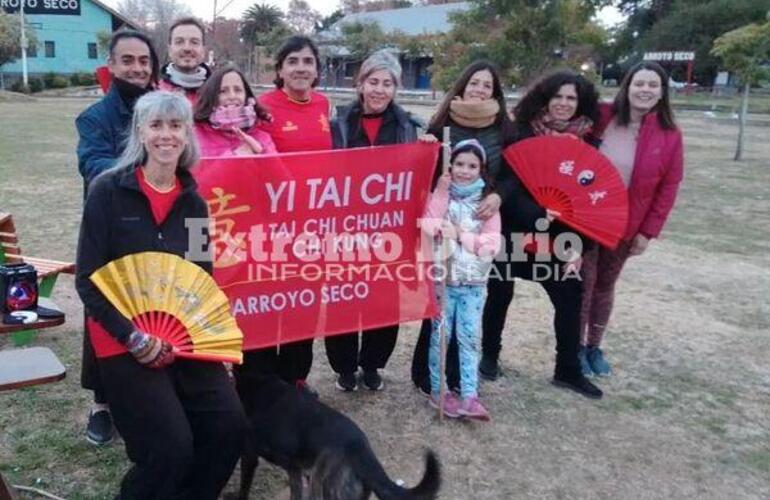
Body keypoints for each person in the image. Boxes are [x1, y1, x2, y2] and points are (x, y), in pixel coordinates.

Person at [75, 91, 246, 499]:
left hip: (183, 338)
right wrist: (134, 338)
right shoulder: (108, 192)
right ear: (140, 132)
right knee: (170, 448)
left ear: (187, 134)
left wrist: (214, 351)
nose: (166, 135)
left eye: (175, 126)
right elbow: (88, 280)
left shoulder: (195, 205)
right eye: (156, 125)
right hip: (121, 341)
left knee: (230, 428)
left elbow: (201, 281)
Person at [484, 71, 604, 399]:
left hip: (563, 239)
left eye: (571, 98)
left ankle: (567, 370)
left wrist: (580, 247)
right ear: (545, 98)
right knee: (498, 292)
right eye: (558, 97)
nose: (564, 104)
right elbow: (507, 184)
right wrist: (536, 215)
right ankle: (489, 356)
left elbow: (593, 200)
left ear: (581, 105)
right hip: (516, 228)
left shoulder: (590, 142)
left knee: (570, 298)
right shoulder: (520, 133)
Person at [75, 29, 160, 446]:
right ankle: (101, 403)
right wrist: (150, 166)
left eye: (144, 61)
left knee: (155, 309)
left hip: (160, 228)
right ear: (112, 65)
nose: (138, 68)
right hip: (110, 231)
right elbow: (94, 165)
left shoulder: (161, 108)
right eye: (128, 60)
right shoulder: (95, 118)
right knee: (104, 312)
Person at [411, 61, 514, 395]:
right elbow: (426, 172)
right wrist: (424, 146)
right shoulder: (443, 121)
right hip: (445, 224)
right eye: (474, 83)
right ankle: (428, 374)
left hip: (483, 217)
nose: (479, 89)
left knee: (471, 306)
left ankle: (461, 376)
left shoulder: (504, 127)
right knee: (439, 307)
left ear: (494, 91)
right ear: (462, 86)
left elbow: (515, 173)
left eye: (487, 85)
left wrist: (498, 196)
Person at [235, 36, 332, 391]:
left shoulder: (323, 105)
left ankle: (294, 379)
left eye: (308, 61)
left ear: (317, 70)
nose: (301, 68)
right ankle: (259, 382)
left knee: (302, 306)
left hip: (313, 227)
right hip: (269, 227)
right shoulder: (262, 107)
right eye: (293, 61)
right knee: (263, 304)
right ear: (280, 69)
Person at [325, 50, 423, 392]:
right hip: (344, 230)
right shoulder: (337, 124)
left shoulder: (410, 128)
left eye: (387, 83)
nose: (379, 90)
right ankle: (344, 367)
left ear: (396, 88)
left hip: (389, 230)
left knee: (384, 301)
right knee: (343, 300)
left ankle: (372, 364)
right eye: (373, 81)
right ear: (360, 83)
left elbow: (419, 178)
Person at [579, 62, 684, 376]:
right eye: (640, 83)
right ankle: (573, 348)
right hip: (587, 217)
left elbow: (669, 186)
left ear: (662, 92)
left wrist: (648, 231)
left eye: (653, 85)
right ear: (628, 86)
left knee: (604, 285)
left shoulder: (669, 135)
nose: (646, 90)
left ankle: (593, 347)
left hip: (627, 224)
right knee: (582, 284)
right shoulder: (603, 117)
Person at [423, 139, 501, 420]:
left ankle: (470, 395)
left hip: (473, 286)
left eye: (472, 166)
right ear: (450, 166)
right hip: (443, 284)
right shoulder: (442, 198)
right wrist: (442, 191)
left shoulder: (487, 205)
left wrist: (459, 234)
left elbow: (490, 247)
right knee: (439, 338)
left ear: (481, 169)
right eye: (459, 164)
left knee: (469, 340)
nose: (465, 171)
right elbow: (430, 226)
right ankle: (438, 391)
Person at [194, 66, 277, 157]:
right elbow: (194, 171)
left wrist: (262, 153)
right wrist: (234, 157)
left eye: (238, 90)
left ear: (246, 95)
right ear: (210, 96)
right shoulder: (195, 135)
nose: (232, 96)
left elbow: (279, 171)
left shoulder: (262, 136)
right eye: (223, 91)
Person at [159, 17, 210, 105]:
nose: (187, 48)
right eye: (179, 42)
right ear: (170, 50)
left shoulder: (218, 93)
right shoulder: (154, 92)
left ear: (203, 50)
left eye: (194, 42)